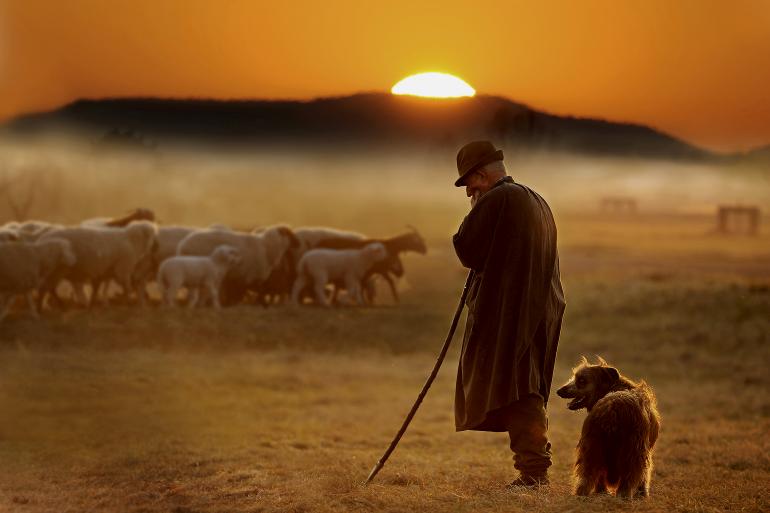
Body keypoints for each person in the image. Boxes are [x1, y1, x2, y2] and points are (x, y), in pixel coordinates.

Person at [452, 140, 565, 487]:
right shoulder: (535, 199)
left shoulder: (499, 199)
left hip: (511, 311)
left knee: (518, 388)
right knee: (523, 384)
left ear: (482, 174)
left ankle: (533, 473)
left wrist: (476, 210)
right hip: (538, 308)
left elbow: (467, 248)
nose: (469, 191)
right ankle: (533, 469)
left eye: (469, 183)